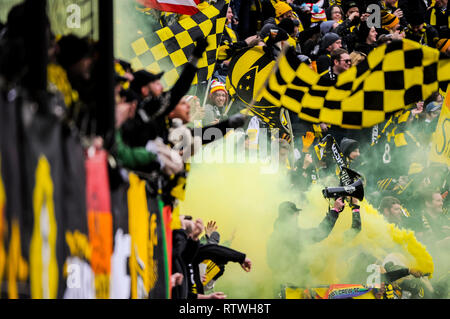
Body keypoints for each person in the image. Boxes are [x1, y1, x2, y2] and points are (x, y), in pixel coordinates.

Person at [266, 198, 345, 293]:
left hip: (281, 288)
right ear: (290, 216)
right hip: (295, 289)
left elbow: (272, 263)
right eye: (296, 213)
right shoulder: (292, 235)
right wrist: (335, 211)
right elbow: (320, 233)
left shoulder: (274, 236)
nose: (298, 215)